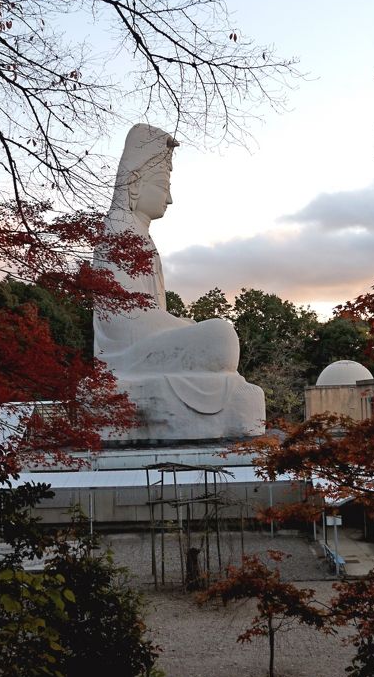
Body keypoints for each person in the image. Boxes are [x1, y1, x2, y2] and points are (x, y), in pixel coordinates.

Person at [93, 123, 264, 442]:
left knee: (223, 344)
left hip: (147, 348)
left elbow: (145, 315)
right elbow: (121, 325)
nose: (169, 198)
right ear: (134, 184)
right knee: (221, 335)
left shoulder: (138, 235)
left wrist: (180, 326)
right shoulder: (119, 231)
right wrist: (182, 326)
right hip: (125, 356)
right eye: (163, 185)